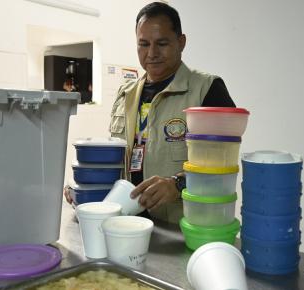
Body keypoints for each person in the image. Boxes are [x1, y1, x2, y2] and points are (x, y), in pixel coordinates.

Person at [65, 2, 235, 224]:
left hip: (183, 227)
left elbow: (224, 163)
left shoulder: (207, 89)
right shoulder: (126, 93)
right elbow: (115, 159)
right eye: (143, 44)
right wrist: (83, 184)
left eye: (162, 43)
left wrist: (178, 184)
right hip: (128, 221)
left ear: (181, 42)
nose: (152, 53)